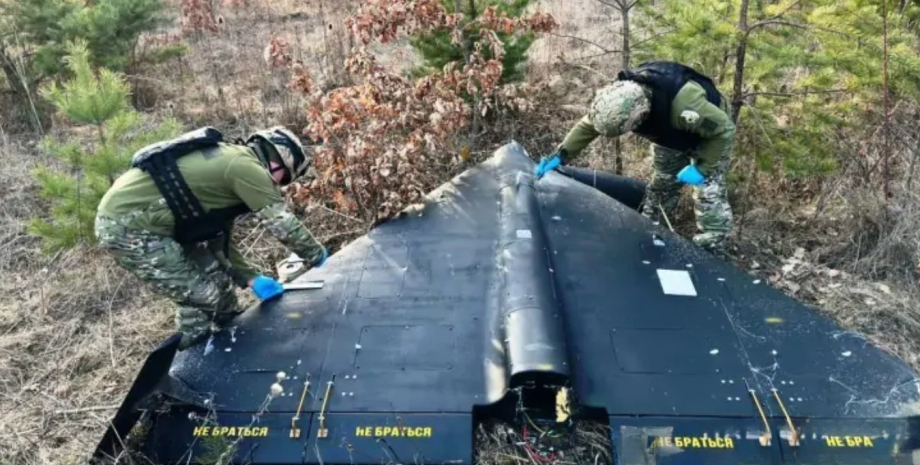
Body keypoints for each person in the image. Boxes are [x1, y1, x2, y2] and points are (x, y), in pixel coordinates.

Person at [95, 126, 327, 349]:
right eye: (284, 178)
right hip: (128, 224)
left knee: (220, 285)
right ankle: (189, 359)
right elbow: (281, 223)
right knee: (201, 295)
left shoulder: (231, 166)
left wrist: (251, 278)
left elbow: (220, 239)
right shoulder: (245, 167)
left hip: (162, 222)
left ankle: (231, 340)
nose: (279, 184)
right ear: (278, 161)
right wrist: (318, 257)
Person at [535, 61, 735, 250]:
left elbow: (724, 131)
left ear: (639, 117)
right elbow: (588, 126)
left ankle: (712, 245)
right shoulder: (618, 100)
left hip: (710, 137)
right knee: (663, 182)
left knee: (709, 191)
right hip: (670, 135)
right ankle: (652, 230)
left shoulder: (686, 106)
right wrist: (561, 154)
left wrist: (702, 169)